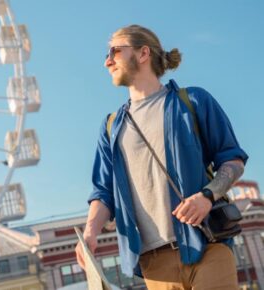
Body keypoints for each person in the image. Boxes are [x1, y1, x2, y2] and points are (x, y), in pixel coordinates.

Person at [75, 24, 248, 290]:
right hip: (153, 264)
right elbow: (103, 191)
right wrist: (90, 230)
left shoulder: (193, 101)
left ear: (143, 54)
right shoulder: (110, 127)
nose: (107, 61)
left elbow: (233, 161)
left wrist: (207, 196)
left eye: (115, 51)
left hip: (207, 246)